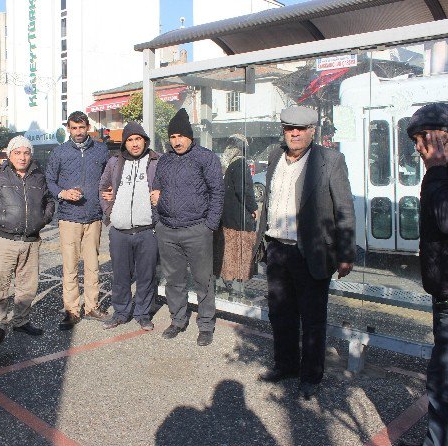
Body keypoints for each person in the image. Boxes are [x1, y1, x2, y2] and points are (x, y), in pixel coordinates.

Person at [254, 105, 355, 400]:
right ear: (283, 131)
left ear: (312, 131)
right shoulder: (275, 156)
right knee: (280, 313)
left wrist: (346, 252)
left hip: (309, 251)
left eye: (300, 129)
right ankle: (286, 365)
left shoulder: (330, 161)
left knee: (312, 318)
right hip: (276, 249)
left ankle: (311, 376)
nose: (294, 134)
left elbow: (344, 209)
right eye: (289, 129)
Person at [398, 103, 448, 446]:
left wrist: (437, 169)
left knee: (447, 387)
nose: (417, 148)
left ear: (443, 136)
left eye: (420, 139)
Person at [151, 108, 224, 346]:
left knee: (203, 280)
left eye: (181, 136)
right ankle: (178, 320)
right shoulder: (164, 160)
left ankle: (205, 325)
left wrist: (210, 225)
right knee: (173, 280)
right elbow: (155, 191)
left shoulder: (206, 157)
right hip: (168, 231)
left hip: (197, 230)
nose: (177, 141)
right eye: (172, 137)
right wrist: (157, 220)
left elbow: (217, 192)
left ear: (190, 137)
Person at [0, 136, 55, 345]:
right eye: (17, 153)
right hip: (4, 240)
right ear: (10, 155)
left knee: (27, 286)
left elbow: (49, 201)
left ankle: (21, 320)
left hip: (31, 240)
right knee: (0, 285)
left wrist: (42, 220)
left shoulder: (38, 176)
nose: (22, 157)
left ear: (31, 155)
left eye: (26, 152)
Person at [45, 111, 110, 330]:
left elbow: (109, 177)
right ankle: (72, 310)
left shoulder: (101, 150)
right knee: (70, 267)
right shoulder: (59, 152)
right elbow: (50, 181)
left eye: (82, 128)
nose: (78, 132)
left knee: (92, 266)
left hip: (93, 217)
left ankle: (92, 306)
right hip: (69, 218)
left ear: (88, 127)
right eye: (74, 128)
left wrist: (108, 193)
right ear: (68, 129)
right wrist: (63, 193)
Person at [99, 121, 159, 331]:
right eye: (130, 140)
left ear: (144, 140)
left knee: (146, 276)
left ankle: (143, 313)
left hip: (146, 230)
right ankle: (121, 312)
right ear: (125, 143)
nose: (134, 144)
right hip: (120, 231)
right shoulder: (114, 162)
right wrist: (110, 213)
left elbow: (164, 189)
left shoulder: (156, 161)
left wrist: (158, 205)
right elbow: (103, 187)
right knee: (120, 276)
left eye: (138, 139)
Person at [214, 137, 259, 295]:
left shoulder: (228, 165)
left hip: (226, 217)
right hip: (239, 218)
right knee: (241, 254)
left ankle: (223, 283)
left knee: (227, 252)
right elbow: (244, 190)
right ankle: (237, 290)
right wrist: (254, 208)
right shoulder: (241, 164)